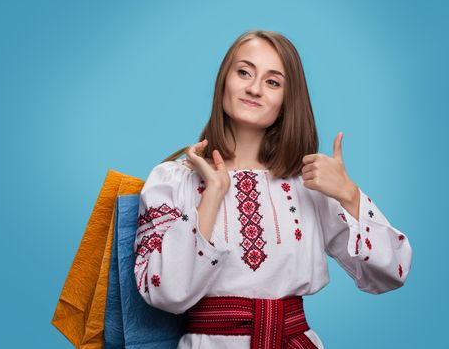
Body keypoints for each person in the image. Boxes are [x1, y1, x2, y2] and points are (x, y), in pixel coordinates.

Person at [133, 30, 413, 349]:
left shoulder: (308, 183)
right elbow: (163, 292)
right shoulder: (173, 179)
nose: (254, 88)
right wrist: (212, 194)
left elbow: (392, 272)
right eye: (244, 72)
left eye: (272, 82)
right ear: (223, 81)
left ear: (286, 101)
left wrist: (349, 194)